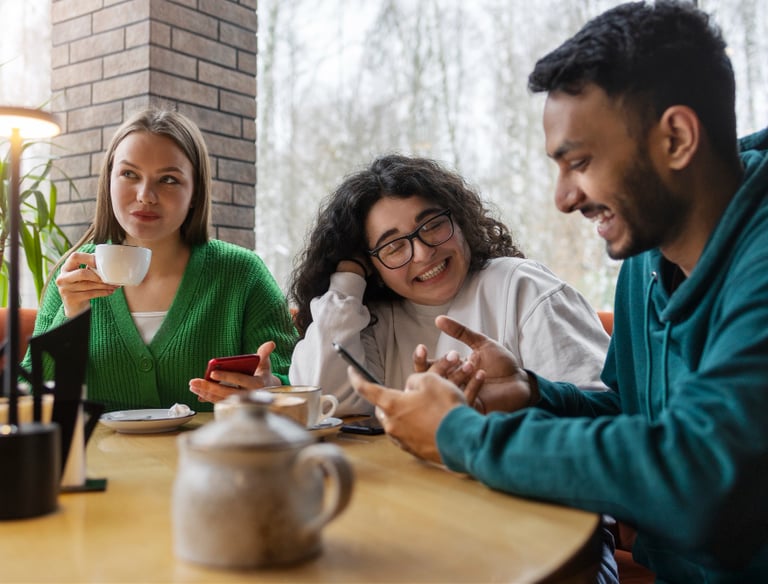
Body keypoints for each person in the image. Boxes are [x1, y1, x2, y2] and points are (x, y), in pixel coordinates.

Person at [347, 1, 768, 582]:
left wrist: (458, 434)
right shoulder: (647, 256)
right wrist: (533, 392)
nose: (563, 198)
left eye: (580, 162)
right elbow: (630, 413)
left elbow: (699, 480)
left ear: (675, 138)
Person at [289, 154, 610, 417]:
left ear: (459, 219)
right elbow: (324, 400)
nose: (424, 252)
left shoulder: (522, 287)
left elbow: (606, 409)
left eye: (432, 225)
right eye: (393, 246)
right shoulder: (371, 318)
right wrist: (348, 276)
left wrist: (525, 394)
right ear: (372, 266)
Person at [24, 108, 297, 412]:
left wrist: (268, 388)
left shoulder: (243, 274)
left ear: (195, 193)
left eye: (168, 179)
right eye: (129, 174)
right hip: (99, 460)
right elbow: (30, 397)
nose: (145, 195)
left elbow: (294, 382)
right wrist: (70, 318)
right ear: (109, 181)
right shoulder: (73, 275)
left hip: (214, 457)